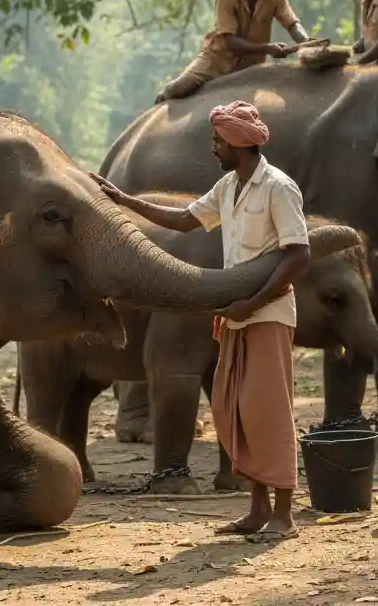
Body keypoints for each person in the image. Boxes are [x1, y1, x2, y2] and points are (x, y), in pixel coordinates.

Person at [91, 101, 309, 542]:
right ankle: (256, 509)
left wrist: (254, 302)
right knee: (234, 409)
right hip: (234, 315)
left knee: (268, 411)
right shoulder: (229, 186)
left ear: (238, 144)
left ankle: (284, 514)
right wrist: (121, 200)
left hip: (267, 315)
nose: (213, 148)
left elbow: (298, 254)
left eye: (217, 141)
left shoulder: (278, 188)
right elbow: (183, 220)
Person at [156, 0, 311, 103]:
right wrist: (267, 48)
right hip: (216, 61)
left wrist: (306, 43)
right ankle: (159, 107)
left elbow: (292, 24)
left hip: (251, 66)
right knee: (178, 88)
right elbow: (230, 42)